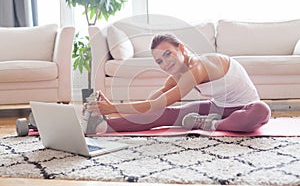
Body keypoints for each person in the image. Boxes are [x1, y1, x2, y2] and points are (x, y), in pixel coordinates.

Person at [83, 33, 271, 134]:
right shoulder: (177, 74)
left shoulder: (197, 67)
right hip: (218, 107)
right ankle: (102, 127)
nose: (165, 64)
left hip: (246, 108)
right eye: (159, 61)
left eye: (168, 54)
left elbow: (156, 104)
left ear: (181, 48)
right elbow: (154, 104)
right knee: (165, 114)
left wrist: (113, 107)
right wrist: (108, 110)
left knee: (262, 111)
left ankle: (210, 125)